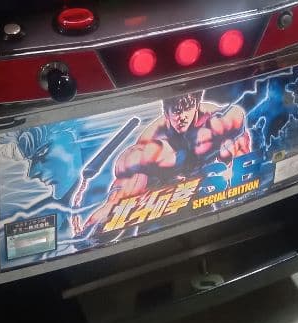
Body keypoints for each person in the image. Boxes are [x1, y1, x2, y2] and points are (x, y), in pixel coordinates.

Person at [84, 91, 250, 230]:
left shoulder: (221, 121)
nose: (182, 117)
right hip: (167, 195)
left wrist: (242, 182)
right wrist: (109, 208)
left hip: (209, 186)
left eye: (187, 108)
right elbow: (126, 181)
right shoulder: (152, 143)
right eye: (176, 111)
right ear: (166, 112)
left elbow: (243, 152)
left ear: (197, 105)